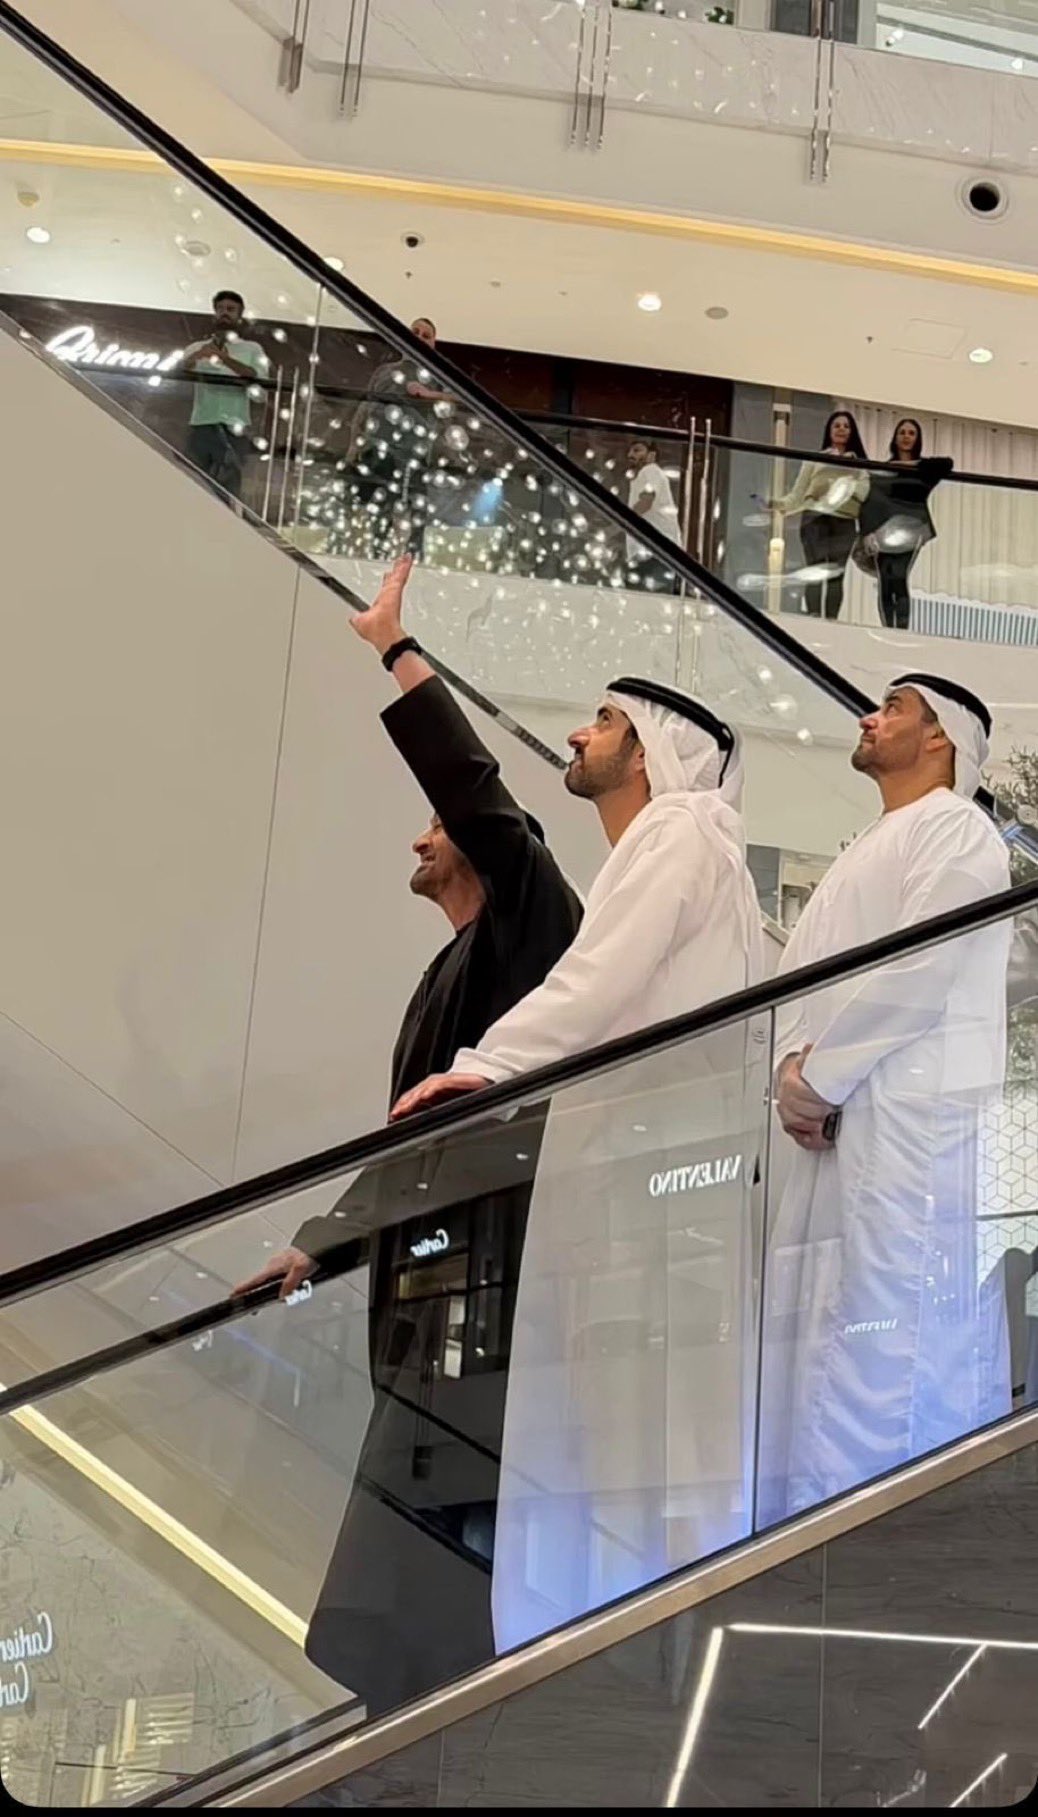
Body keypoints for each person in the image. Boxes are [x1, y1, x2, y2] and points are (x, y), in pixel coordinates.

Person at [233, 555, 581, 1716]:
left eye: (437, 826)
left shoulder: (534, 926)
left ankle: (427, 1738)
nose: (418, 842)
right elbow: (401, 1153)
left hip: (490, 1309)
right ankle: (397, 1735)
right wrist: (317, 1243)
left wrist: (397, 652)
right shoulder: (447, 970)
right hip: (425, 1308)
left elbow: (481, 796)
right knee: (394, 1563)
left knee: (437, 1566)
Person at [391, 678, 766, 1650]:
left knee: (630, 1456)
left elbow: (594, 983)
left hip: (647, 1210)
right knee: (620, 1456)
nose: (578, 732)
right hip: (635, 1204)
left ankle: (629, 1663)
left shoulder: (681, 833)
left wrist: (488, 1064)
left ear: (648, 751)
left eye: (604, 721)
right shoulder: (664, 854)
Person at [758, 672, 1012, 1528]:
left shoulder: (957, 830)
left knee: (900, 1344)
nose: (870, 718)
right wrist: (791, 1072)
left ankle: (893, 1549)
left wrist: (817, 1079)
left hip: (910, 1130)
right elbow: (796, 978)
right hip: (832, 1130)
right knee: (820, 1342)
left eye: (893, 707)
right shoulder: (864, 846)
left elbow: (920, 970)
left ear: (941, 738)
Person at [348, 317, 453, 559]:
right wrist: (354, 444)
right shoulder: (385, 371)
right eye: (414, 332)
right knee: (380, 504)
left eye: (426, 335)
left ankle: (413, 558)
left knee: (415, 505)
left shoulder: (438, 373)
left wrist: (428, 394)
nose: (419, 338)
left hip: (414, 452)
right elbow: (365, 406)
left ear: (433, 343)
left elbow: (459, 398)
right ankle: (377, 553)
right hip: (378, 449)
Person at [855, 418, 953, 630]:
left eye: (911, 433)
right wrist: (867, 532)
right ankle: (888, 627)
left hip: (912, 527)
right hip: (883, 528)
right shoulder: (883, 470)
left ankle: (901, 629)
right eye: (902, 432)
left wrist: (910, 464)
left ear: (917, 439)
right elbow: (870, 502)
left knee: (899, 576)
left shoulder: (925, 469)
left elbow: (947, 463)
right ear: (895, 438)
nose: (906, 436)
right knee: (885, 578)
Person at [771, 410, 870, 619]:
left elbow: (863, 493)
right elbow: (798, 495)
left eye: (846, 426)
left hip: (845, 520)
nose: (841, 429)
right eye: (837, 425)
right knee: (814, 570)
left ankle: (832, 620)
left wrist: (840, 475)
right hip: (815, 518)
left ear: (852, 432)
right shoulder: (814, 459)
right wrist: (776, 504)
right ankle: (814, 616)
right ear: (829, 431)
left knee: (836, 573)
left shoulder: (860, 464)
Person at [182, 290, 268, 502]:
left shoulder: (252, 349)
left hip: (235, 427)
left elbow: (260, 388)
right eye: (220, 309)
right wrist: (197, 356)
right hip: (201, 423)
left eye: (230, 309)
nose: (224, 313)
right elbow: (178, 372)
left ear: (240, 316)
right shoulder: (195, 348)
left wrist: (224, 358)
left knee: (228, 488)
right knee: (191, 482)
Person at [625, 440, 681, 591]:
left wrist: (623, 519)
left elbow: (647, 500)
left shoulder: (650, 470)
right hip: (654, 552)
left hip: (654, 552)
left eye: (637, 450)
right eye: (630, 451)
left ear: (652, 455)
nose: (630, 455)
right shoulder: (644, 475)